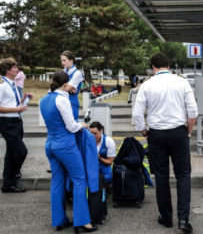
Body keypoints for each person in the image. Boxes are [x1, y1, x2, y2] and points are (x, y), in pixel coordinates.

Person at [133, 52, 198, 233]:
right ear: (168, 66)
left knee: (161, 176)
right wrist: (189, 131)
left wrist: (145, 132)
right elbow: (192, 111)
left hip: (156, 134)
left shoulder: (146, 85)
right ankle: (183, 220)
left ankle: (167, 218)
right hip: (178, 132)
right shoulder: (182, 82)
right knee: (183, 175)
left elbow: (137, 114)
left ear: (153, 68)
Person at [40, 70, 97, 232]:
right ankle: (82, 221)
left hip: (50, 144)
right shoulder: (62, 99)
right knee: (80, 180)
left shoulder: (44, 99)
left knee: (57, 182)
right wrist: (82, 125)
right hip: (65, 146)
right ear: (65, 85)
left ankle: (59, 220)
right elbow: (71, 126)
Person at [0, 58, 34, 193]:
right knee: (21, 151)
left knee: (11, 153)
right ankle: (14, 173)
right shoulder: (2, 84)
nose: (17, 70)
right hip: (7, 122)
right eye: (14, 68)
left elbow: (10, 102)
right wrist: (16, 110)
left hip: (16, 121)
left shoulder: (12, 83)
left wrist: (23, 98)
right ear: (7, 70)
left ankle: (8, 184)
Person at [89, 121, 116, 186]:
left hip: (104, 164)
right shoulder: (87, 140)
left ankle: (99, 182)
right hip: (91, 165)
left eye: (95, 133)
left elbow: (110, 162)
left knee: (110, 176)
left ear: (101, 131)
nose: (93, 136)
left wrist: (100, 158)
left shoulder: (108, 141)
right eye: (91, 134)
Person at [61, 50, 84, 120]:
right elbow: (53, 85)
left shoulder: (77, 73)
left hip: (71, 103)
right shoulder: (63, 71)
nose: (62, 63)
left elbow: (67, 88)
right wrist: (66, 86)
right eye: (61, 61)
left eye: (64, 60)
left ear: (71, 60)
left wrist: (63, 86)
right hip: (62, 102)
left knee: (72, 127)